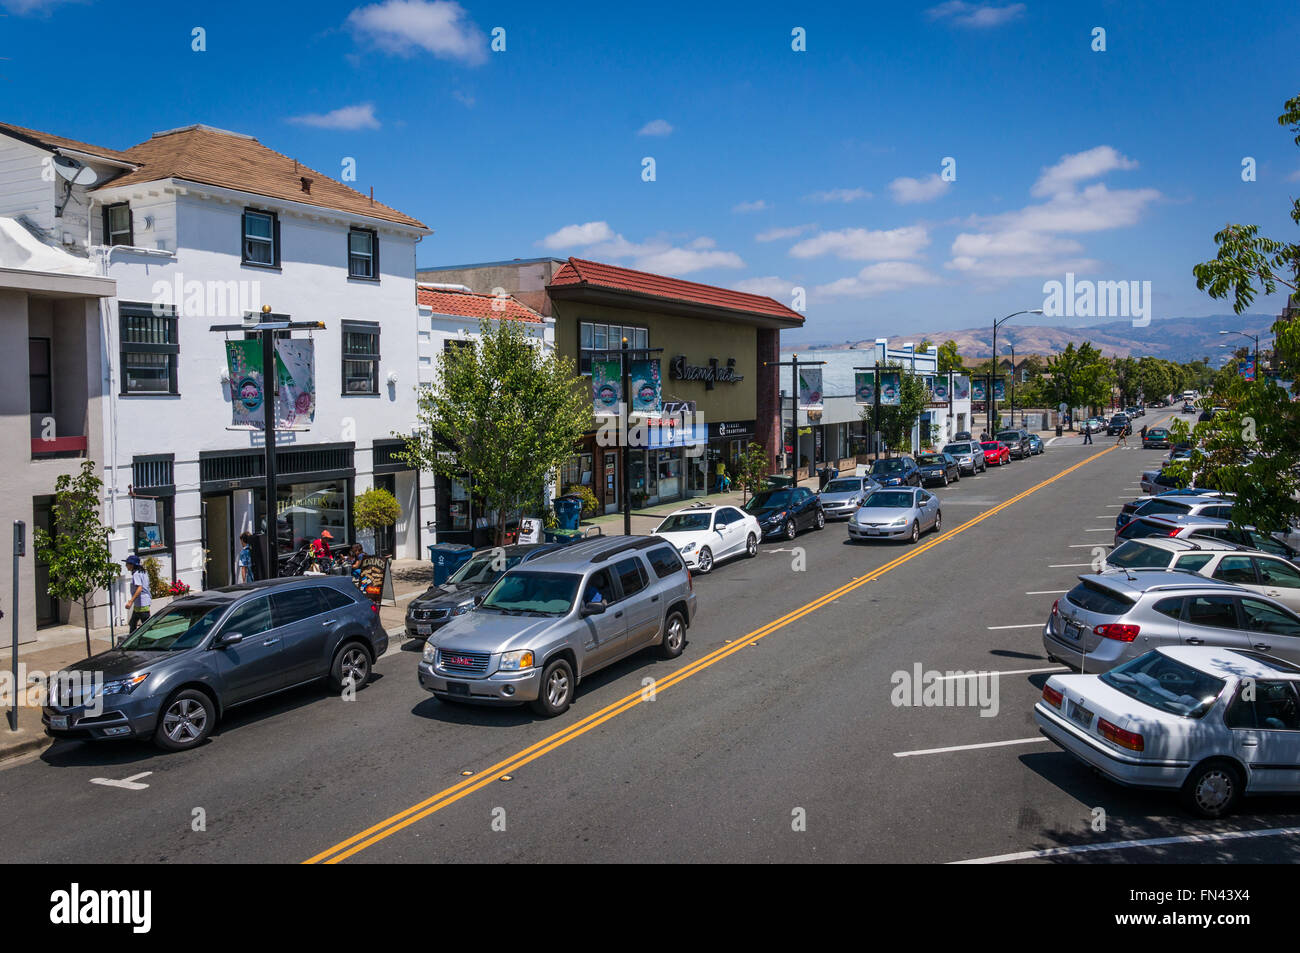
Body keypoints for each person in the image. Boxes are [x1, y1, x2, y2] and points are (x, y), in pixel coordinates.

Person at [123, 554, 151, 633]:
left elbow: (139, 588)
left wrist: (130, 601)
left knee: (146, 627)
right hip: (140, 604)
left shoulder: (136, 574)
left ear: (132, 565)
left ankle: (147, 642)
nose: (126, 565)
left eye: (127, 564)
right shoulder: (143, 572)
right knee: (132, 623)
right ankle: (131, 640)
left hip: (142, 604)